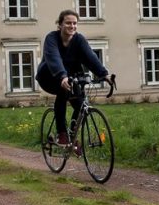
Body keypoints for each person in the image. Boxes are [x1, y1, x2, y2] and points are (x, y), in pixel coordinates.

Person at [36, 9, 110, 146]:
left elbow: (90, 57)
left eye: (75, 23)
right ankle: (61, 133)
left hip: (70, 76)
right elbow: (54, 58)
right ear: (60, 25)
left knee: (81, 104)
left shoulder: (79, 39)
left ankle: (71, 138)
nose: (72, 26)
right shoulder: (51, 38)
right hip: (49, 77)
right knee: (63, 91)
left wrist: (104, 74)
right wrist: (62, 76)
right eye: (68, 23)